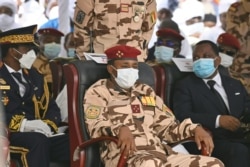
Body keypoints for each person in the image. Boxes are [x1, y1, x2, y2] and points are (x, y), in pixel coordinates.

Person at [83, 45, 224, 167]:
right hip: (125, 157)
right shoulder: (98, 91)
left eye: (134, 67)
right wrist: (119, 129)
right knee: (150, 163)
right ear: (111, 69)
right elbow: (95, 126)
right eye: (124, 66)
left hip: (160, 153)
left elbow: (167, 127)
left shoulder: (145, 90)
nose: (130, 70)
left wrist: (194, 128)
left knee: (213, 164)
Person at [0, 25, 69, 167]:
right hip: (7, 135)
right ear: (12, 51)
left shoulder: (35, 75)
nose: (32, 53)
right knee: (38, 141)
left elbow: (52, 107)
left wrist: (48, 125)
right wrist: (25, 125)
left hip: (38, 134)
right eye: (27, 49)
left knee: (72, 142)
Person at [173, 40, 250, 167]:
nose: (200, 60)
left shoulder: (234, 84)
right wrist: (218, 120)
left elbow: (247, 109)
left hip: (239, 136)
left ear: (217, 60)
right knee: (238, 151)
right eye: (196, 58)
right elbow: (182, 115)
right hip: (208, 139)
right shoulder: (185, 85)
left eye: (206, 56)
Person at [73, 0, 157, 62]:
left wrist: (142, 53)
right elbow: (81, 29)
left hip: (134, 62)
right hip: (102, 61)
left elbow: (148, 28)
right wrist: (84, 60)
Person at [32, 27, 64, 93]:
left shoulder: (62, 64)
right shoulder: (31, 64)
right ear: (38, 43)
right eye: (48, 41)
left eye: (57, 42)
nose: (53, 44)